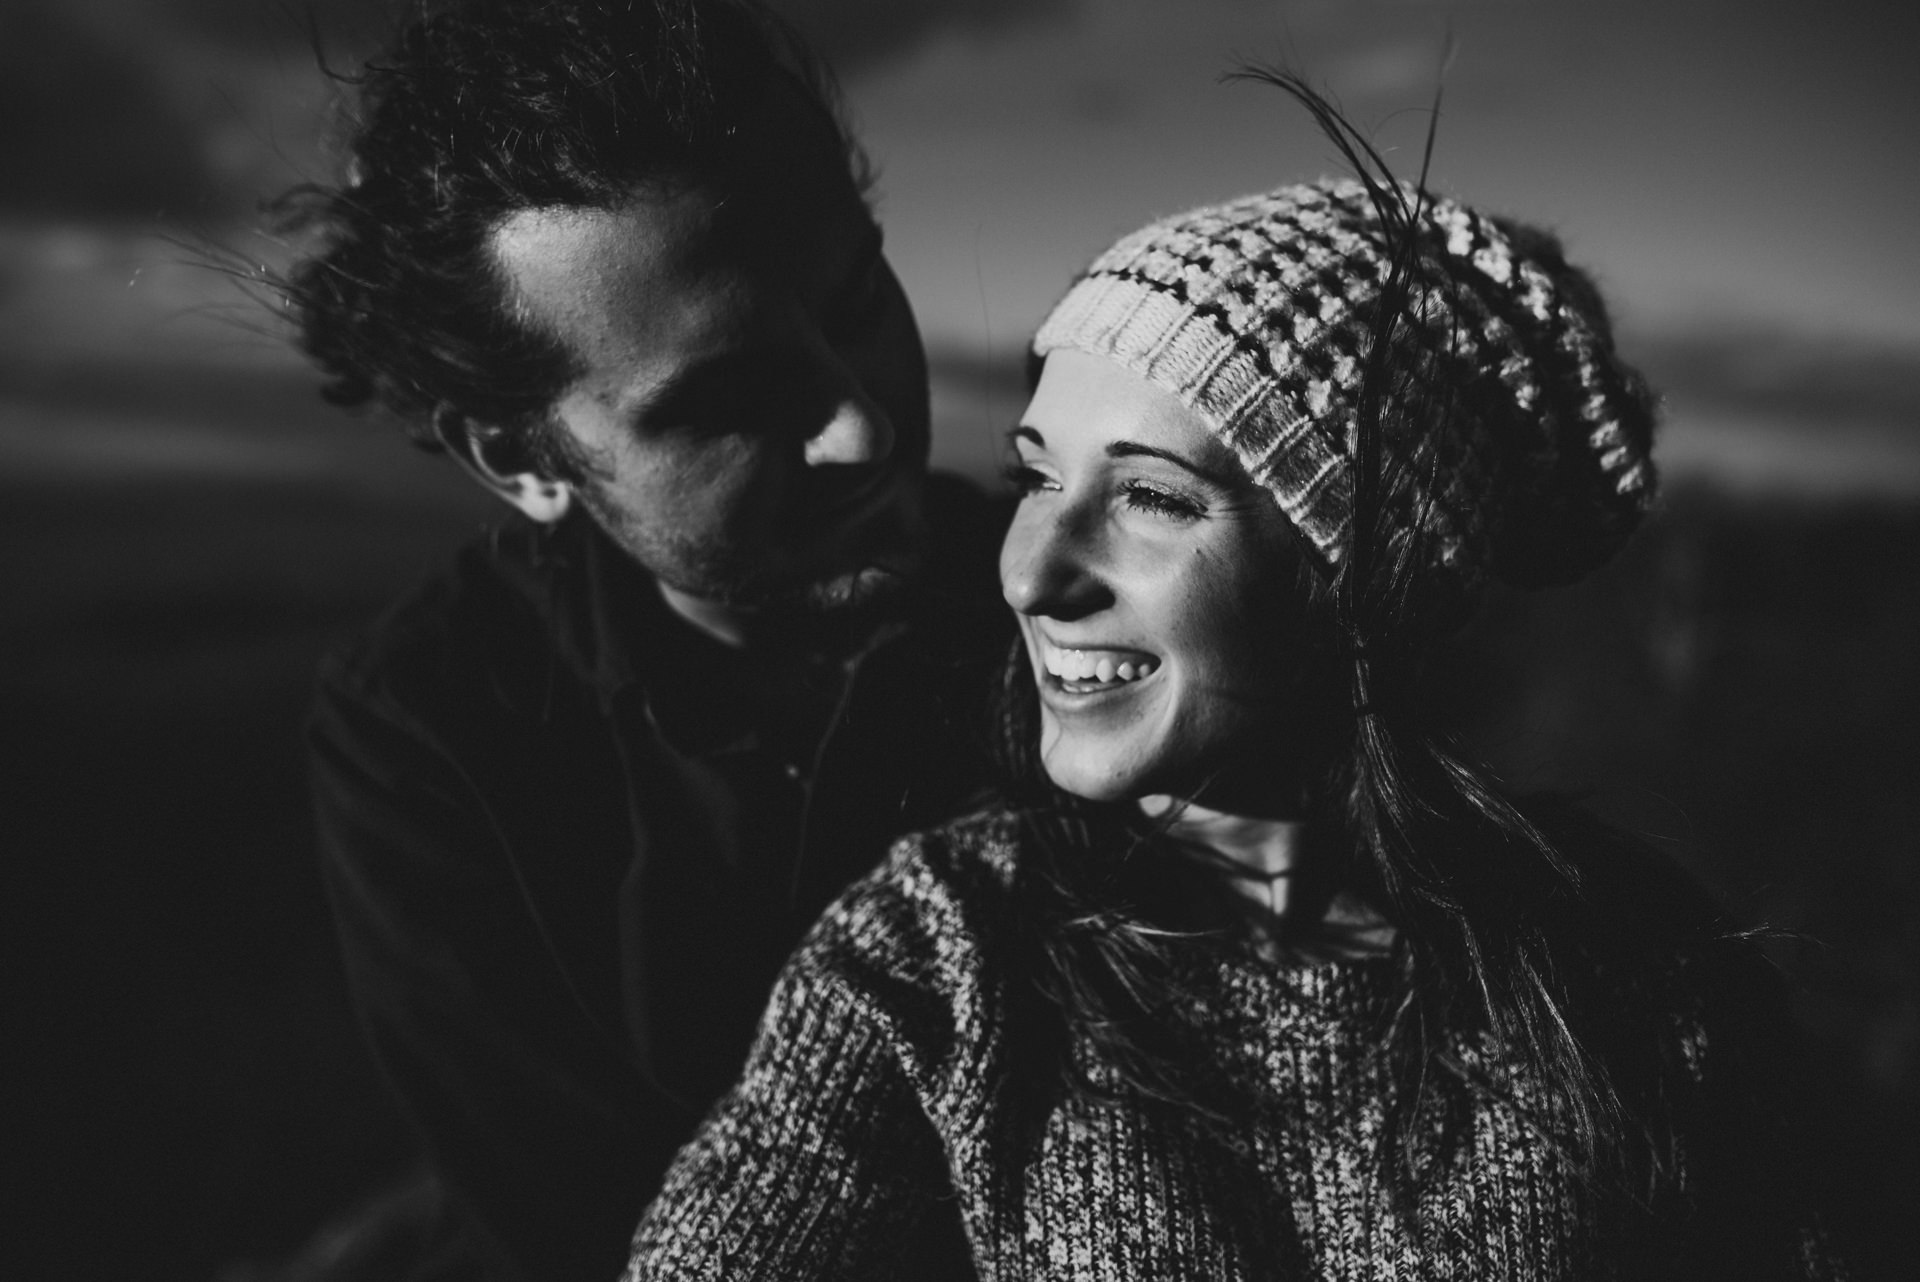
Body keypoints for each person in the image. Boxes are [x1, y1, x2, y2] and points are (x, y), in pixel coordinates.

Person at [625, 82, 1851, 1281]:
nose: (1029, 570)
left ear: (1361, 580)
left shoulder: (1641, 983)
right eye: (1035, 478)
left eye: (1151, 498)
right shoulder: (942, 957)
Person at [275, 1, 1004, 1277]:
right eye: (725, 398)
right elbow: (582, 1226)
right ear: (520, 459)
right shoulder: (430, 723)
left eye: (857, 297)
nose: (864, 429)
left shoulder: (1084, 625)